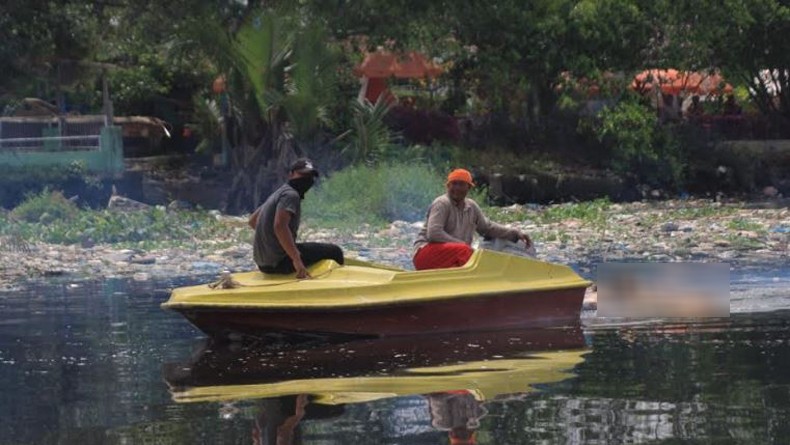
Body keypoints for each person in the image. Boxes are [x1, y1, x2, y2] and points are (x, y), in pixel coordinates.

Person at [412, 168, 532, 270]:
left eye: (461, 184)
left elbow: (487, 228)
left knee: (468, 252)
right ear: (448, 186)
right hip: (425, 255)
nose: (457, 188)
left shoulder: (471, 207)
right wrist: (461, 245)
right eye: (454, 184)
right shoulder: (442, 203)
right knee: (465, 251)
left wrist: (515, 233)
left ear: (468, 188)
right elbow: (434, 234)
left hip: (453, 254)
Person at [250, 159, 343, 278]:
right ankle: (335, 285)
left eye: (309, 176)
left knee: (311, 249)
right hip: (280, 263)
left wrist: (271, 243)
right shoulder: (291, 195)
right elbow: (280, 226)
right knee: (335, 252)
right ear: (291, 174)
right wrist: (296, 259)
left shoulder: (279, 193)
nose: (306, 179)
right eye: (302, 174)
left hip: (263, 263)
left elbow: (253, 221)